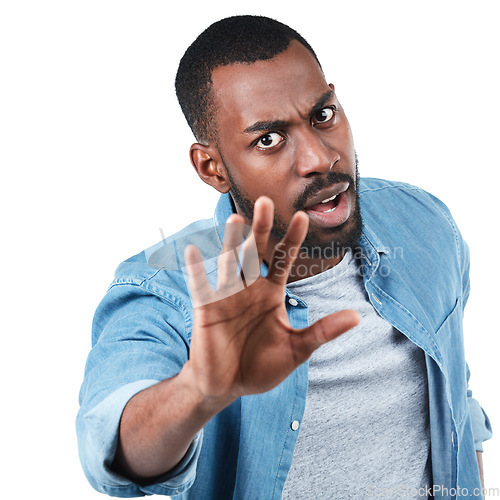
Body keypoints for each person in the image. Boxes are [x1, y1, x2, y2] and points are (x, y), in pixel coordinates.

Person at [77, 15, 492, 499]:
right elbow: (112, 450)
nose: (319, 157)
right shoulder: (165, 286)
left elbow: (457, 405)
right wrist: (199, 390)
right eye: (268, 140)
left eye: (322, 115)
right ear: (211, 167)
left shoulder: (422, 221)